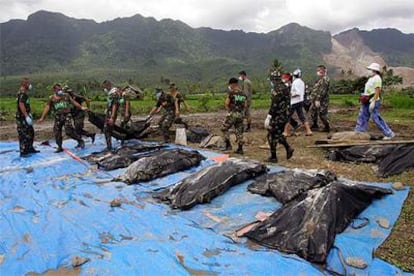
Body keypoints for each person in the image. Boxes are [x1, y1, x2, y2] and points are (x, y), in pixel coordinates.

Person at [38, 84, 85, 152]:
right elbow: (47, 107)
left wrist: (81, 107)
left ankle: (80, 140)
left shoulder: (66, 95)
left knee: (68, 130)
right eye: (58, 89)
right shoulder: (52, 98)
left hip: (67, 115)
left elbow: (73, 102)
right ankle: (59, 146)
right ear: (54, 90)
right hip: (58, 116)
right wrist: (42, 117)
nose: (60, 91)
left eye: (61, 89)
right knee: (57, 132)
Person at [354, 62, 395, 140]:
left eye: (370, 69)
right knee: (362, 116)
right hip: (366, 100)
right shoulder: (370, 78)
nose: (368, 71)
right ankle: (359, 132)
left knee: (375, 118)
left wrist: (373, 101)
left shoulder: (377, 78)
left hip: (373, 100)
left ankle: (389, 133)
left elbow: (377, 91)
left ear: (374, 70)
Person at [264, 71, 294, 163]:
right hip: (284, 115)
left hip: (277, 116)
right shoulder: (285, 87)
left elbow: (275, 104)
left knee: (271, 135)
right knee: (277, 135)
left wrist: (269, 116)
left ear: (273, 79)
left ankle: (274, 157)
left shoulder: (276, 89)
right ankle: (288, 148)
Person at [221, 77, 246, 154]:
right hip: (241, 114)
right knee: (239, 131)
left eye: (230, 85)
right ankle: (240, 148)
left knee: (224, 128)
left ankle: (228, 145)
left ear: (232, 84)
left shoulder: (231, 93)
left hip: (233, 113)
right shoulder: (243, 93)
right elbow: (245, 105)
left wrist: (229, 111)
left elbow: (226, 103)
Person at [284, 69, 313, 136]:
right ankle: (308, 130)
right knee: (301, 116)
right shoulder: (302, 82)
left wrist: (291, 95)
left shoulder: (295, 82)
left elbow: (297, 92)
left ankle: (286, 132)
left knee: (288, 116)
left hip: (294, 102)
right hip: (300, 101)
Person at [16, 78, 39, 157]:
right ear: (24, 84)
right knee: (23, 134)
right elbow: (21, 104)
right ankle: (24, 152)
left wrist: (29, 114)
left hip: (26, 115)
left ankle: (30, 148)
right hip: (22, 117)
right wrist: (26, 115)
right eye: (28, 83)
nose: (29, 85)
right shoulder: (22, 93)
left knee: (30, 132)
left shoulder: (24, 93)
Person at [310, 65, 331, 132]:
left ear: (323, 70)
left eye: (319, 70)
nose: (318, 72)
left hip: (322, 100)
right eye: (317, 70)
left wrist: (318, 99)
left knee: (322, 113)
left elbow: (323, 90)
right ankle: (315, 125)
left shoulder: (325, 79)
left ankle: (327, 126)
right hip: (315, 99)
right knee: (313, 111)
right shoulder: (320, 79)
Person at [102, 80, 122, 150]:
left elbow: (114, 105)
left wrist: (112, 117)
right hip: (109, 112)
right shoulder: (111, 92)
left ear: (108, 85)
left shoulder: (113, 93)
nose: (104, 88)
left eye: (105, 87)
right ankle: (120, 138)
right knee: (108, 129)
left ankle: (109, 147)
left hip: (111, 114)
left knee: (107, 130)